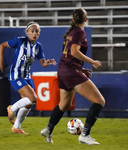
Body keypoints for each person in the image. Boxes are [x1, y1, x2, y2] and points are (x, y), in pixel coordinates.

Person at [40, 8, 105, 145]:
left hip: (64, 70)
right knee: (99, 101)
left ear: (73, 20)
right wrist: (92, 62)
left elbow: (69, 55)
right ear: (85, 20)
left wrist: (80, 69)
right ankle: (84, 135)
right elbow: (74, 52)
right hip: (70, 72)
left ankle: (48, 129)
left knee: (64, 104)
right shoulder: (80, 32)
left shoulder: (72, 32)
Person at [0, 22, 56, 134]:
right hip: (16, 75)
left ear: (39, 33)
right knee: (33, 98)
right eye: (32, 31)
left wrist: (48, 62)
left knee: (29, 103)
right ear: (27, 32)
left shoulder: (38, 46)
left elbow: (43, 64)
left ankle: (16, 127)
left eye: (37, 31)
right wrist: (1, 62)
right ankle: (12, 109)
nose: (34, 34)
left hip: (27, 76)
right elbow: (2, 45)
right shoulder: (20, 41)